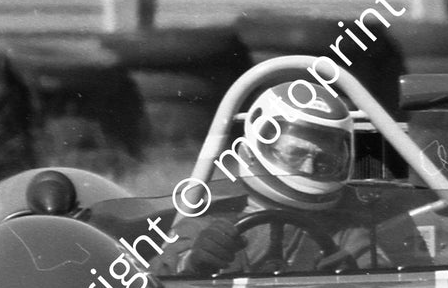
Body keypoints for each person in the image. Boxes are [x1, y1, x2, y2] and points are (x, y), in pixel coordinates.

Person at [159, 82, 432, 275]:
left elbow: (398, 284)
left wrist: (359, 277)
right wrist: (192, 264)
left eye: (324, 160)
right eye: (295, 154)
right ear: (250, 152)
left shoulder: (350, 230)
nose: (310, 167)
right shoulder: (206, 223)